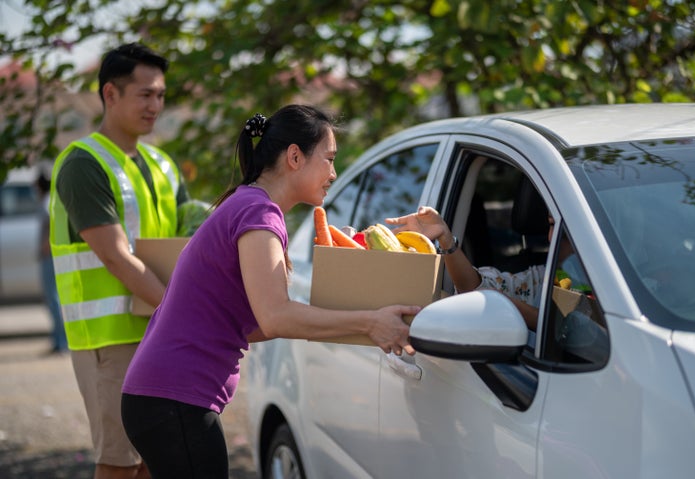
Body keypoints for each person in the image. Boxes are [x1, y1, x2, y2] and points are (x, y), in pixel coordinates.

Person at [120, 105, 419, 479]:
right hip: (173, 400)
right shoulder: (258, 212)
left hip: (161, 397)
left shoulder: (247, 203)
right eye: (328, 160)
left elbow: (253, 324)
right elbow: (276, 317)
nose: (333, 174)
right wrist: (370, 322)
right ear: (295, 156)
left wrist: (360, 323)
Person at [49, 42, 189, 479]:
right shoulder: (82, 164)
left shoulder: (162, 164)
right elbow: (115, 257)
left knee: (154, 460)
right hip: (110, 341)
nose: (156, 106)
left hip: (159, 330)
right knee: (119, 463)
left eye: (161, 95)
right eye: (145, 94)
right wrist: (183, 315)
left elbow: (194, 241)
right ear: (110, 94)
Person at [387, 206, 586, 331]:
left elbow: (583, 335)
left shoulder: (614, 288)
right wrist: (446, 239)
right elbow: (476, 290)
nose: (556, 237)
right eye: (553, 224)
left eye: (570, 227)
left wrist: (521, 312)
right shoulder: (545, 279)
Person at [35, 167, 67, 354]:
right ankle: (58, 340)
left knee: (53, 299)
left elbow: (51, 226)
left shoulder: (46, 202)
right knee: (53, 299)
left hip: (49, 256)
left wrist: (45, 248)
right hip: (50, 254)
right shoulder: (50, 200)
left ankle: (60, 341)